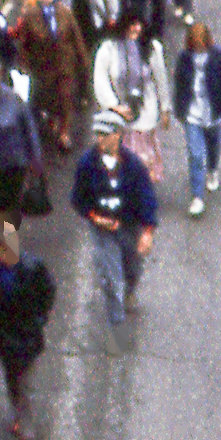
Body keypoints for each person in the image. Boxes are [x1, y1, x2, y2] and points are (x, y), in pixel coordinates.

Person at [0, 218, 58, 440]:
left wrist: (39, 319)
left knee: (26, 387)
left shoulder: (34, 268)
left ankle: (27, 434)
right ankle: (19, 415)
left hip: (28, 337)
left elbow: (48, 292)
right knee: (13, 379)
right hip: (3, 338)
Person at [69, 112, 158, 333]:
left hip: (129, 225)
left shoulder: (134, 166)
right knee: (110, 275)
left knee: (132, 267)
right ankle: (116, 323)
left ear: (118, 135)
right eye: (97, 134)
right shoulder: (87, 164)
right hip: (102, 229)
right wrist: (94, 217)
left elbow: (147, 198)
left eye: (105, 134)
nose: (99, 139)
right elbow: (78, 199)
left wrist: (147, 232)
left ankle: (129, 291)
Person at [173, 17, 221, 215]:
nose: (198, 48)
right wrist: (179, 109)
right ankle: (197, 196)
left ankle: (212, 170)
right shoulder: (184, 58)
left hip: (213, 112)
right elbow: (179, 84)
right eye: (195, 44)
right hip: (192, 113)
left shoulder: (218, 57)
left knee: (213, 146)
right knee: (196, 154)